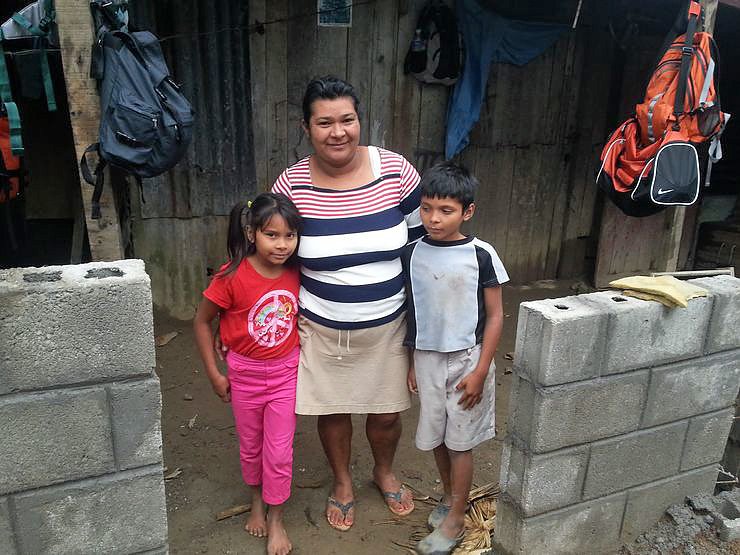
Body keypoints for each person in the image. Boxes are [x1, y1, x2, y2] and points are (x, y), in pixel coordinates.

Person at [271, 75, 424, 531]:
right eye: (324, 123)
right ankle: (342, 481)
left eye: (347, 120)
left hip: (389, 323)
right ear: (306, 128)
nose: (338, 132)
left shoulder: (395, 171)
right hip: (321, 324)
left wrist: (426, 327)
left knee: (387, 413)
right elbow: (274, 251)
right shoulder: (291, 185)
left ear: (360, 120)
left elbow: (421, 247)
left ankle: (383, 470)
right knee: (333, 410)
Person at [402, 162, 508, 554]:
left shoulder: (480, 254)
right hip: (427, 359)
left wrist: (480, 371)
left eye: (445, 210)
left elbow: (495, 316)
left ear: (468, 211)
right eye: (427, 208)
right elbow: (412, 311)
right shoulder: (412, 253)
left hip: (468, 360)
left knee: (460, 443)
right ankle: (449, 497)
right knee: (436, 436)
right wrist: (411, 362)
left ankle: (457, 518)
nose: (433, 218)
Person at [193, 193, 302, 555]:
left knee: (279, 451)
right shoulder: (231, 276)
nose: (282, 244)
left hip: (286, 374)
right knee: (251, 445)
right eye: (272, 235)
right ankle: (256, 499)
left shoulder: (297, 272)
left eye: (290, 236)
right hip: (244, 376)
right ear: (252, 233)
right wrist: (214, 374)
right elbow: (202, 322)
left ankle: (276, 517)